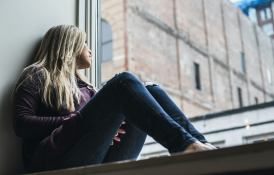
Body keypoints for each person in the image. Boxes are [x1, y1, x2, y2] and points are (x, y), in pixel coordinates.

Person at [12, 25, 216, 173]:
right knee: (123, 81)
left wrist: (106, 128)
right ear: (69, 45)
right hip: (54, 160)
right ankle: (183, 146)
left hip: (97, 158)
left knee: (151, 89)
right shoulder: (38, 74)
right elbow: (22, 124)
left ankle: (203, 147)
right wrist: (76, 120)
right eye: (84, 43)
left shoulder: (88, 89)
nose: (90, 49)